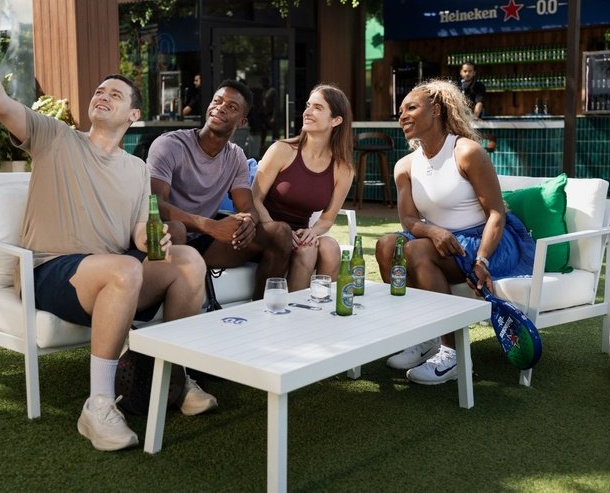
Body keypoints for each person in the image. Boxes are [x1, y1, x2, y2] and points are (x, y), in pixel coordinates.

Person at [0, 0, 217, 452]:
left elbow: (137, 233)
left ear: (133, 116)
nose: (103, 95)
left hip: (115, 271)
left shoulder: (136, 169)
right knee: (126, 268)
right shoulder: (55, 138)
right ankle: (98, 405)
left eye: (115, 94)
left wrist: (153, 239)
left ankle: (172, 378)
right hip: (51, 271)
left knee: (190, 261)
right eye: (99, 91)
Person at [374, 79, 535, 385]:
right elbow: (408, 220)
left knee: (416, 251)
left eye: (411, 108)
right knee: (386, 246)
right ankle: (423, 337)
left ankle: (454, 354)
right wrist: (432, 231)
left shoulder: (466, 152)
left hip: (486, 242)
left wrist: (482, 260)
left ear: (436, 110)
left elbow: (496, 214)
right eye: (400, 111)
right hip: (439, 241)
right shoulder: (405, 166)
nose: (402, 116)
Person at [147, 79, 292, 300]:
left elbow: (248, 207)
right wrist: (210, 226)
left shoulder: (236, 156)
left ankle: (261, 310)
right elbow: (156, 205)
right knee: (176, 229)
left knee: (280, 232)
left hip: (207, 241)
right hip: (172, 237)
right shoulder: (170, 145)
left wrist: (248, 223)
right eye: (217, 101)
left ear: (242, 121)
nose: (221, 107)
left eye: (232, 107)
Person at [252, 84, 355, 291]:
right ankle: (296, 308)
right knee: (307, 250)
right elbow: (254, 199)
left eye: (317, 107)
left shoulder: (343, 169)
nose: (307, 112)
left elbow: (327, 219)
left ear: (336, 120)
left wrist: (312, 232)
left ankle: (323, 307)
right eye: (308, 105)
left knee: (330, 247)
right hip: (266, 230)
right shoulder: (282, 150)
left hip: (299, 233)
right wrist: (277, 230)